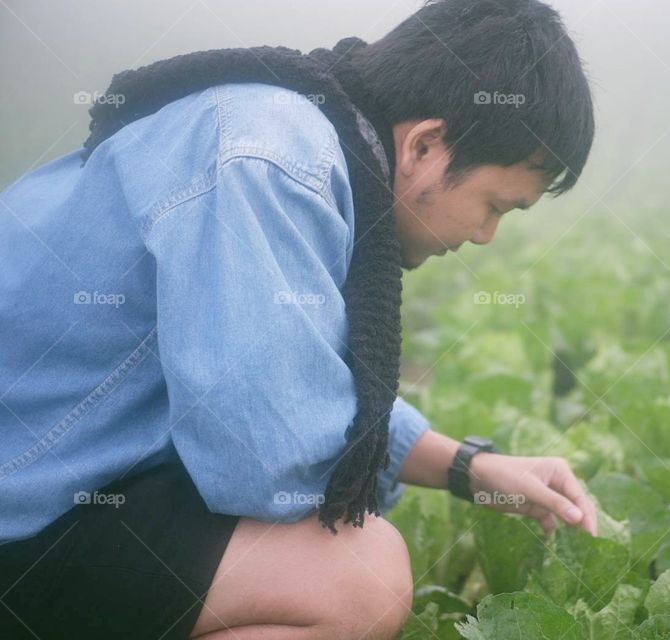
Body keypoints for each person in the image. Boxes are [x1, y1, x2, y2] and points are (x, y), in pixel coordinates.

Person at [0, 0, 596, 637]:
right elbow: (266, 464)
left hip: (40, 478)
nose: (486, 236)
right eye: (495, 206)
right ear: (424, 145)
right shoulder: (275, 164)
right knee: (358, 576)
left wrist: (468, 468)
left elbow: (298, 369)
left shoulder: (301, 127)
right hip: (23, 502)